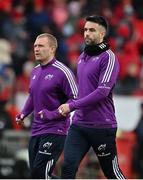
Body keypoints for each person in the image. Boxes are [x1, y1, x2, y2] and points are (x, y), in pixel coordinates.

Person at [58, 15, 126, 179]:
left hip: (101, 125)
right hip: (79, 125)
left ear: (102, 34)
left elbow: (102, 92)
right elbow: (81, 90)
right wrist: (65, 102)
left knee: (112, 173)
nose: (87, 33)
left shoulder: (108, 57)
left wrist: (72, 106)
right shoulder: (82, 57)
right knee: (67, 166)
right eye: (85, 30)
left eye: (92, 30)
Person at [15, 33, 78, 179]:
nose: (36, 49)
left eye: (41, 46)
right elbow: (32, 96)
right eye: (35, 46)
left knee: (40, 171)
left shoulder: (63, 71)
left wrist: (54, 113)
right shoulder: (35, 71)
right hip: (36, 130)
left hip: (56, 130)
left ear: (52, 49)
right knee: (37, 175)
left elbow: (75, 99)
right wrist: (23, 113)